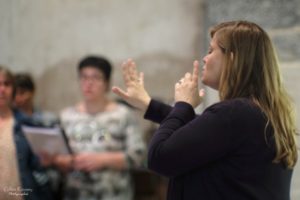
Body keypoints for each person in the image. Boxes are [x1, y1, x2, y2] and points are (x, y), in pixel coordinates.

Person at [112, 20, 298, 200]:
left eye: (211, 50)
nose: (204, 58)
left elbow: (159, 158)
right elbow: (200, 131)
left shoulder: (234, 113)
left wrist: (183, 104)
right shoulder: (256, 112)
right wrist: (149, 104)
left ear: (232, 59)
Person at [44, 56, 146, 200]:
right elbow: (57, 156)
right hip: (75, 193)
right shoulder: (66, 116)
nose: (88, 83)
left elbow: (139, 155)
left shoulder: (123, 115)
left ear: (107, 83)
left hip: (114, 194)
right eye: (84, 77)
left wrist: (103, 160)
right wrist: (62, 161)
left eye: (96, 78)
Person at [0, 66, 54, 200]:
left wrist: (45, 160)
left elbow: (37, 166)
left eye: (6, 84)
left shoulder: (27, 124)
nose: (2, 89)